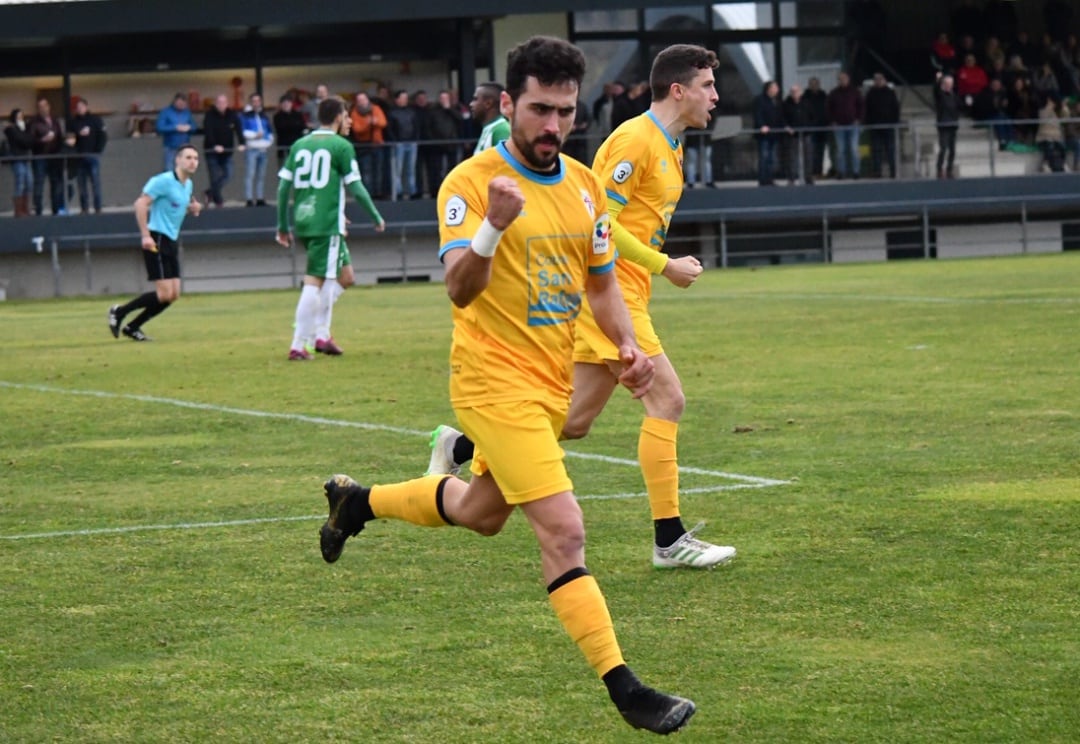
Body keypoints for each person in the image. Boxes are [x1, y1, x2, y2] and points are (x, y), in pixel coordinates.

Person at [318, 36, 696, 735]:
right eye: (538, 110)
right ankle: (627, 690)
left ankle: (357, 502)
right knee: (565, 530)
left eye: (565, 111)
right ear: (508, 105)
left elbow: (604, 284)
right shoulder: (469, 184)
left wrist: (629, 347)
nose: (552, 125)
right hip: (492, 384)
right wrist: (493, 225)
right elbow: (461, 289)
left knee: (482, 511)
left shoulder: (584, 186)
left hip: (550, 384)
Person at [425, 43, 736, 572]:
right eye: (707, 85)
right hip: (610, 296)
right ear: (679, 90)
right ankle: (669, 538)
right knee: (669, 401)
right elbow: (603, 225)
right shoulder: (635, 141)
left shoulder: (670, 145)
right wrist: (664, 264)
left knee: (570, 421)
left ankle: (462, 448)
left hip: (623, 295)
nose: (716, 95)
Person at [275, 97, 386, 360]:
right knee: (315, 281)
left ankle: (321, 334)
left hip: (306, 219)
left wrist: (282, 224)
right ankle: (300, 342)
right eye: (346, 115)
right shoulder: (341, 146)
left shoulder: (300, 144)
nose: (348, 120)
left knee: (345, 276)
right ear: (337, 117)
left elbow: (282, 188)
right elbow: (356, 187)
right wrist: (375, 216)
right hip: (325, 225)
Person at [107, 145, 202, 342]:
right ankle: (119, 311)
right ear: (178, 160)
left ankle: (133, 327)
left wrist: (193, 208)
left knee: (174, 294)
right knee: (164, 293)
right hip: (156, 237)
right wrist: (145, 235)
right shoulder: (163, 181)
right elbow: (140, 204)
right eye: (188, 157)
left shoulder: (188, 185)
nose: (193, 161)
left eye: (195, 158)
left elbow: (177, 209)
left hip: (171, 240)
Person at [201, 94, 245, 208]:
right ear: (215, 104)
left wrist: (242, 143)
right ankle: (218, 200)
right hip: (212, 151)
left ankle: (210, 193)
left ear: (227, 103)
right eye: (219, 102)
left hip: (227, 151)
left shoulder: (232, 114)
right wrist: (214, 145)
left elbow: (238, 128)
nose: (221, 105)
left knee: (228, 174)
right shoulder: (209, 115)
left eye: (223, 102)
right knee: (214, 176)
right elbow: (208, 130)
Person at [66, 97, 107, 214]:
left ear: (86, 107)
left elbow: (102, 136)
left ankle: (97, 207)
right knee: (81, 184)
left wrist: (98, 150)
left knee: (95, 183)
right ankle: (84, 208)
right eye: (77, 108)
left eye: (81, 107)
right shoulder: (73, 122)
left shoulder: (95, 120)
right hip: (79, 157)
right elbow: (69, 138)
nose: (80, 109)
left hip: (92, 155)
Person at [28, 97, 66, 216]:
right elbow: (30, 140)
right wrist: (42, 140)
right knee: (39, 183)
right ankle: (38, 210)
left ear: (49, 106)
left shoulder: (55, 120)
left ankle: (56, 210)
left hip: (54, 157)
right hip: (40, 157)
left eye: (45, 105)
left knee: (55, 183)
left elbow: (59, 137)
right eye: (40, 106)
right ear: (38, 109)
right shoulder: (34, 122)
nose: (43, 108)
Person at [348, 91, 388, 199]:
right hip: (364, 145)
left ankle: (379, 193)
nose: (362, 102)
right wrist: (368, 123)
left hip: (377, 144)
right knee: (366, 171)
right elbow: (357, 129)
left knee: (379, 169)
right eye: (359, 100)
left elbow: (383, 122)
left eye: (363, 99)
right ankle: (368, 194)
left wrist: (374, 122)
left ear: (367, 100)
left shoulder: (375, 109)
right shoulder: (354, 112)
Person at [826, 71, 864, 179]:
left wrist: (859, 120)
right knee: (840, 150)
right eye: (840, 79)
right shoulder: (833, 93)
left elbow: (861, 105)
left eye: (844, 78)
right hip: (839, 126)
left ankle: (856, 172)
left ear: (848, 79)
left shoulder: (855, 92)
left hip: (853, 125)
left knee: (854, 149)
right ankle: (841, 172)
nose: (842, 81)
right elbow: (828, 108)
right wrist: (832, 121)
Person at [863, 73, 900, 179]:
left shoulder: (890, 92)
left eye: (880, 79)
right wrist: (868, 122)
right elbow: (867, 109)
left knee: (890, 150)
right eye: (876, 79)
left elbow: (895, 108)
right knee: (876, 150)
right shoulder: (870, 93)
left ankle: (893, 171)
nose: (878, 81)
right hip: (875, 127)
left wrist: (894, 122)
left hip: (888, 126)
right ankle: (877, 171)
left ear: (884, 80)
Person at [386, 89, 420, 200]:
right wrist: (395, 141)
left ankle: (411, 190)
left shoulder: (411, 112)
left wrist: (415, 139)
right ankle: (399, 191)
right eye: (402, 98)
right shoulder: (392, 113)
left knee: (411, 168)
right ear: (397, 100)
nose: (404, 100)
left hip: (411, 142)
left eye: (406, 98)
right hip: (399, 143)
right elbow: (389, 129)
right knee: (398, 169)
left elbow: (416, 126)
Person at [240, 93, 273, 206]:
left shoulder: (264, 116)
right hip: (252, 149)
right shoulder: (245, 116)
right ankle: (249, 199)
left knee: (261, 175)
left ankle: (260, 198)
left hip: (263, 149)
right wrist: (255, 135)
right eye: (253, 101)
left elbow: (270, 132)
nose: (256, 103)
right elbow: (243, 131)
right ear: (250, 102)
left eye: (258, 101)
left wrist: (268, 142)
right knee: (250, 174)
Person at [781, 83, 815, 185]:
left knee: (808, 156)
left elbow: (812, 116)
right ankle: (791, 178)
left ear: (800, 92)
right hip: (792, 134)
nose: (794, 93)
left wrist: (808, 127)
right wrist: (787, 127)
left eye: (796, 91)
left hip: (806, 133)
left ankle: (808, 177)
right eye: (792, 92)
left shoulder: (807, 103)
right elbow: (782, 118)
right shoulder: (786, 104)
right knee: (792, 156)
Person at [752, 80, 784, 186]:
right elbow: (758, 114)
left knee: (771, 158)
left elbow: (779, 116)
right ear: (769, 89)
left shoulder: (776, 101)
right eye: (774, 87)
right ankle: (763, 179)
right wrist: (762, 125)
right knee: (764, 157)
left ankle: (769, 178)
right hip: (764, 135)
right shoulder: (760, 100)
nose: (776, 90)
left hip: (773, 134)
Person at [155, 93, 195, 173]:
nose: (182, 106)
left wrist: (189, 127)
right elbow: (159, 127)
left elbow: (194, 126)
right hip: (170, 147)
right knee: (169, 170)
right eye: (180, 104)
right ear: (175, 102)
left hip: (184, 148)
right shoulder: (166, 112)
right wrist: (175, 127)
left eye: (183, 104)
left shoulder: (187, 113)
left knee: (183, 171)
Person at [5, 108, 34, 217]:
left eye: (22, 116)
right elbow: (19, 140)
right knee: (20, 182)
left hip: (26, 158)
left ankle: (26, 208)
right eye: (18, 116)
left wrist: (25, 136)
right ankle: (18, 210)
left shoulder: (26, 128)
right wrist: (25, 138)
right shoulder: (10, 129)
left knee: (29, 182)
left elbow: (30, 140)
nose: (20, 119)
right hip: (17, 158)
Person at [469, 81, 510, 154]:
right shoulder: (490, 128)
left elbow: (506, 163)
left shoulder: (501, 130)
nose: (471, 104)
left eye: (475, 99)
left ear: (488, 103)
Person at [934, 72, 961, 179]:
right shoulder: (940, 95)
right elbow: (936, 91)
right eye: (947, 83)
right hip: (944, 125)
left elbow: (960, 106)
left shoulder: (954, 96)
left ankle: (949, 168)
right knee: (943, 148)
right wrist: (938, 80)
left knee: (952, 149)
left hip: (953, 125)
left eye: (950, 83)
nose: (949, 85)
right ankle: (939, 168)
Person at [804, 76, 829, 178]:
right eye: (812, 84)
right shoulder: (805, 97)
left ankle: (819, 172)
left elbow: (827, 109)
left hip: (822, 127)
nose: (814, 86)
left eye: (816, 84)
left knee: (821, 151)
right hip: (811, 127)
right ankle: (811, 172)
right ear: (809, 85)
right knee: (811, 151)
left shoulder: (823, 95)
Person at [273, 95, 307, 169]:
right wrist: (295, 126)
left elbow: (303, 127)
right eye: (284, 103)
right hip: (283, 146)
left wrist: (294, 127)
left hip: (297, 145)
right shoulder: (277, 116)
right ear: (281, 105)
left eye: (288, 103)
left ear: (291, 104)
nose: (286, 105)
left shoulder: (298, 115)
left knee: (298, 167)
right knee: (283, 168)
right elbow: (281, 129)